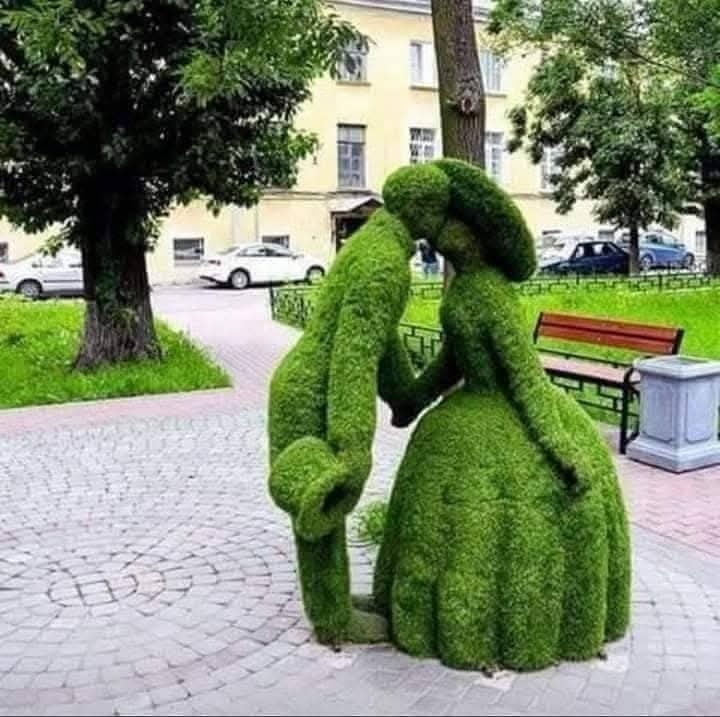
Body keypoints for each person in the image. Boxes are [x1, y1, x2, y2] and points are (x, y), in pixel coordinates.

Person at [373, 159, 630, 671]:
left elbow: (525, 375)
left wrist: (560, 447)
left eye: (454, 227)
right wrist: (413, 399)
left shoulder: (493, 296)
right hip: (466, 411)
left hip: (507, 412)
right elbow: (452, 362)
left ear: (479, 240)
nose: (442, 236)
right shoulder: (461, 294)